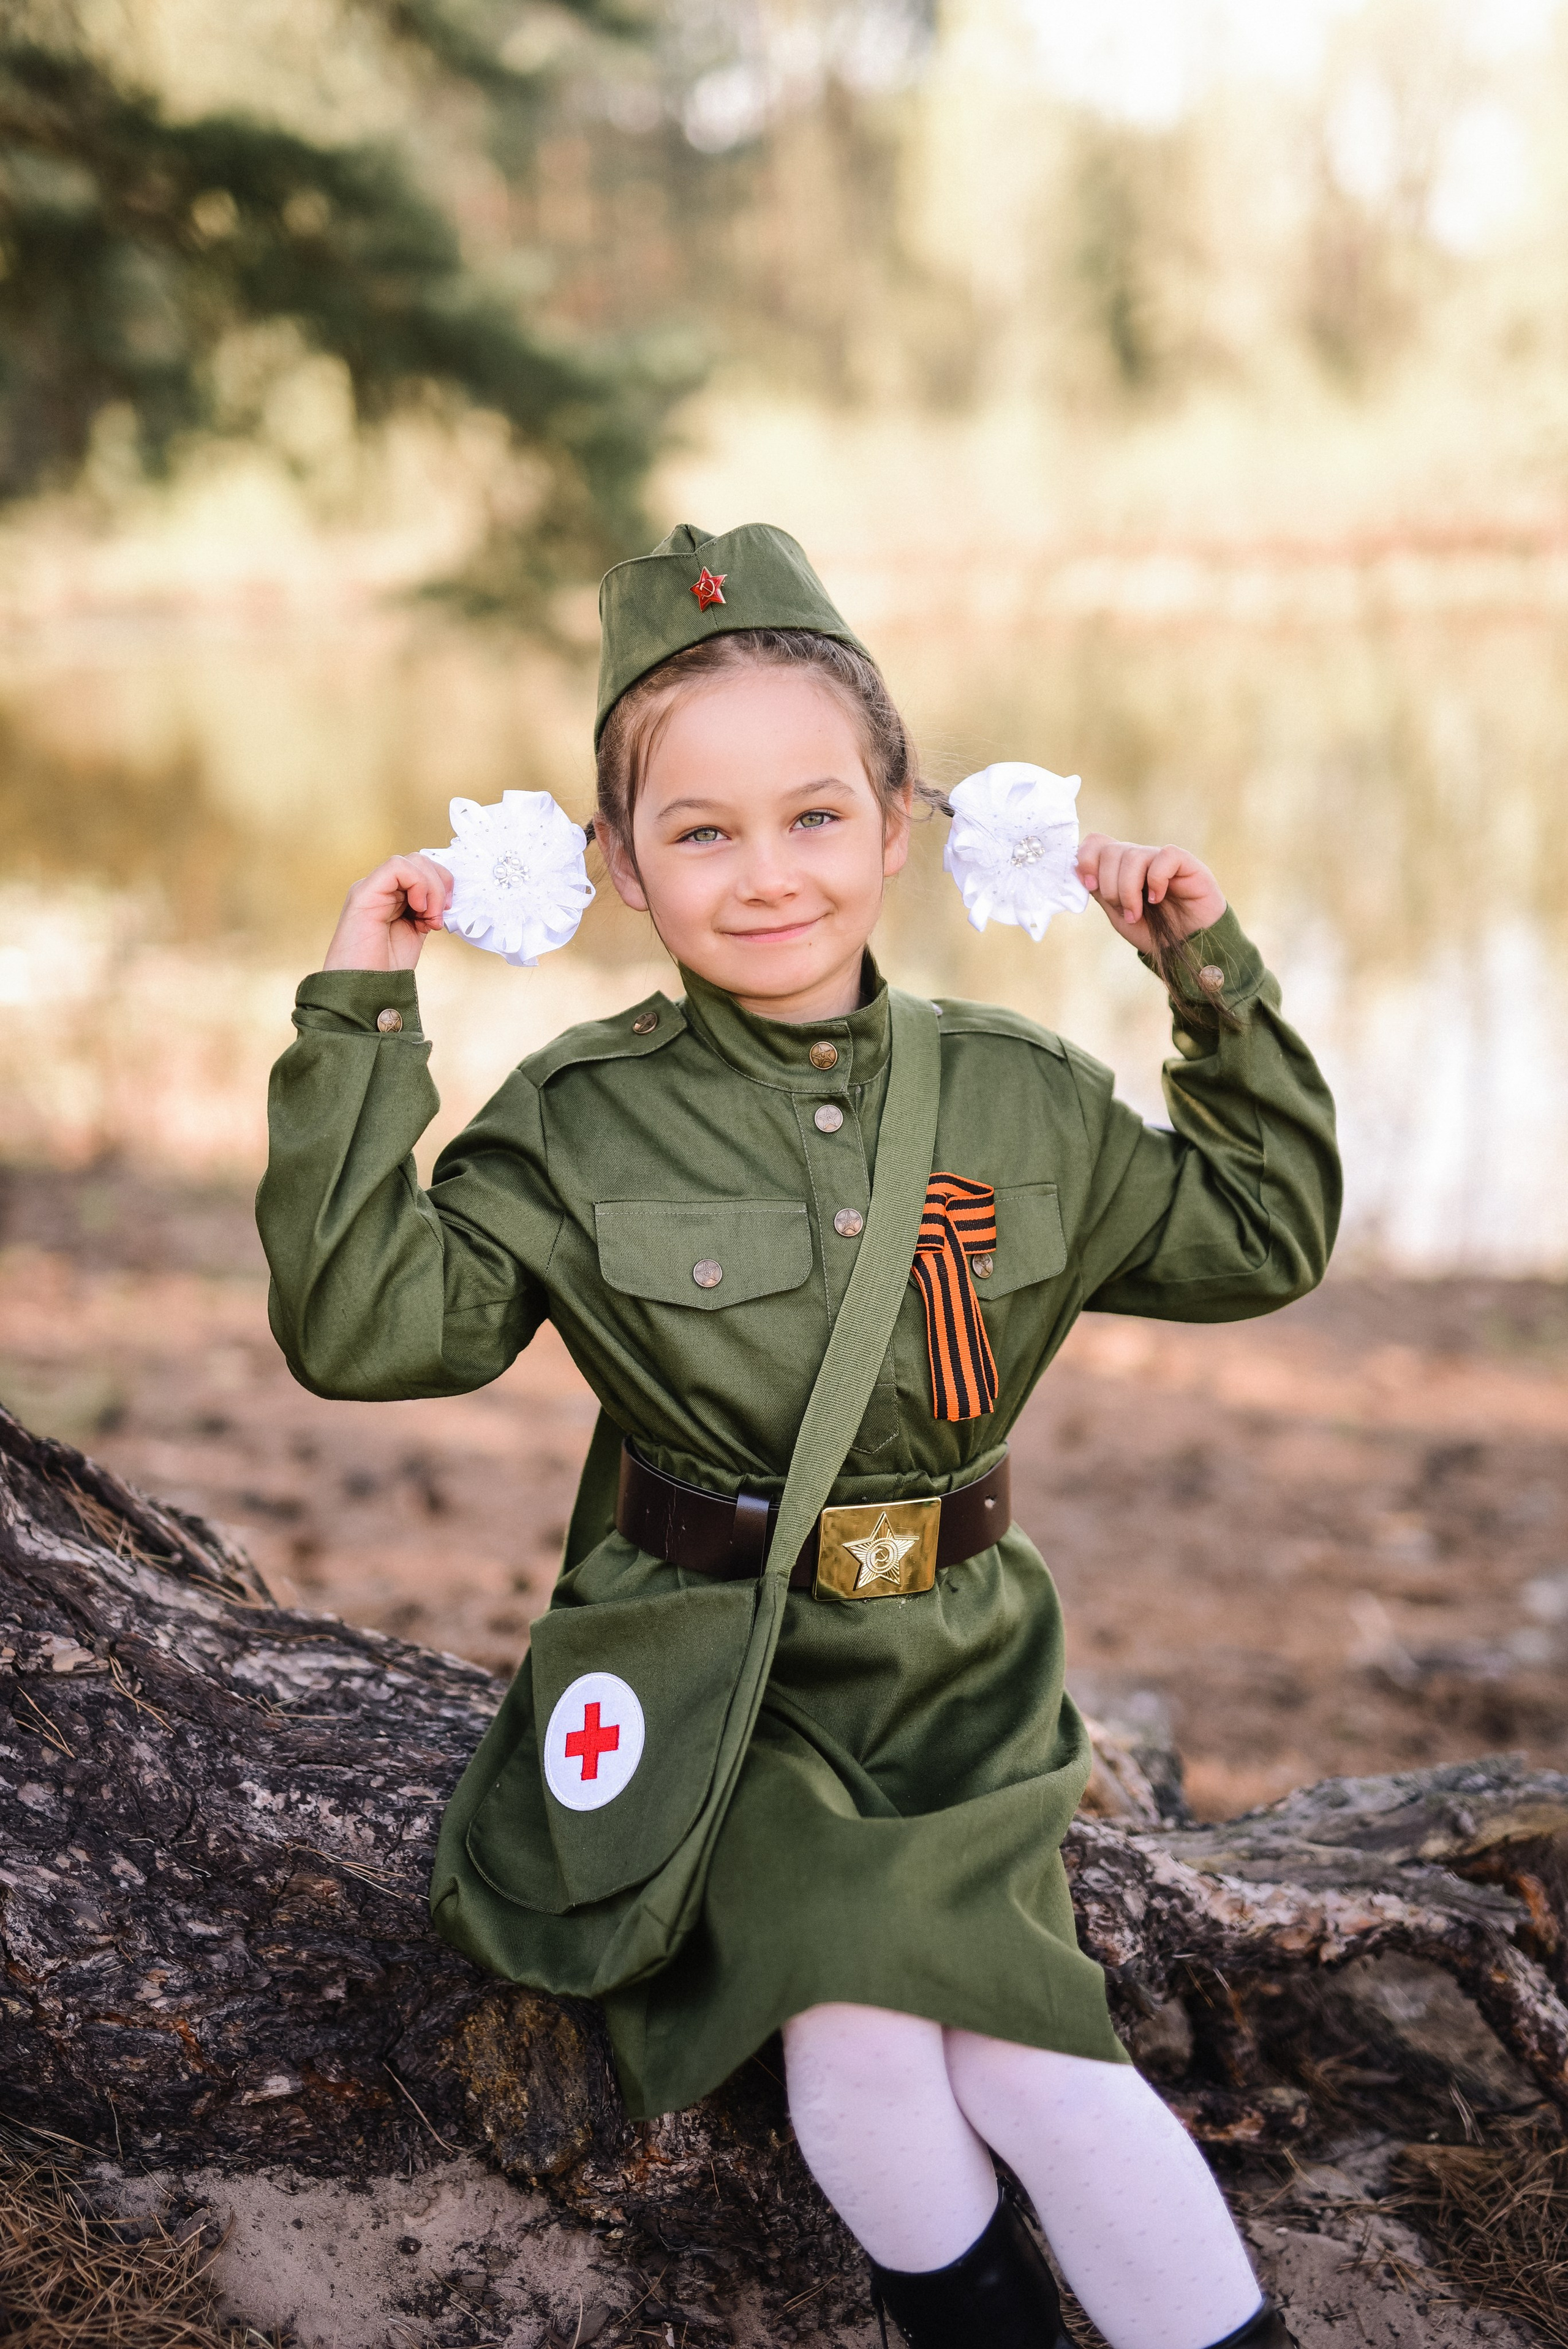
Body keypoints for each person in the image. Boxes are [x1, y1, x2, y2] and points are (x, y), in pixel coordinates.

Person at [258, 523, 1340, 2349]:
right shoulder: (584, 1119)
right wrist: (362, 1004)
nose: (768, 874)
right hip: (716, 1680)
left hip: (963, 1678)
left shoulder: (1018, 1096)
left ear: (898, 822)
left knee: (1037, 2064)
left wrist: (1205, 976)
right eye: (702, 829)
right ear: (616, 865)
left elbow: (1264, 1234)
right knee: (855, 2049)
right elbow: (365, 1326)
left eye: (816, 816)